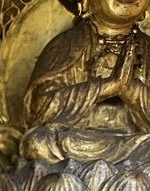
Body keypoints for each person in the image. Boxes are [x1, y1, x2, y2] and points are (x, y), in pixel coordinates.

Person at [22, 0, 150, 163]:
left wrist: (131, 90)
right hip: (76, 139)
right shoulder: (68, 43)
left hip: (136, 141)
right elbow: (39, 105)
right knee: (38, 142)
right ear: (85, 3)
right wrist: (106, 88)